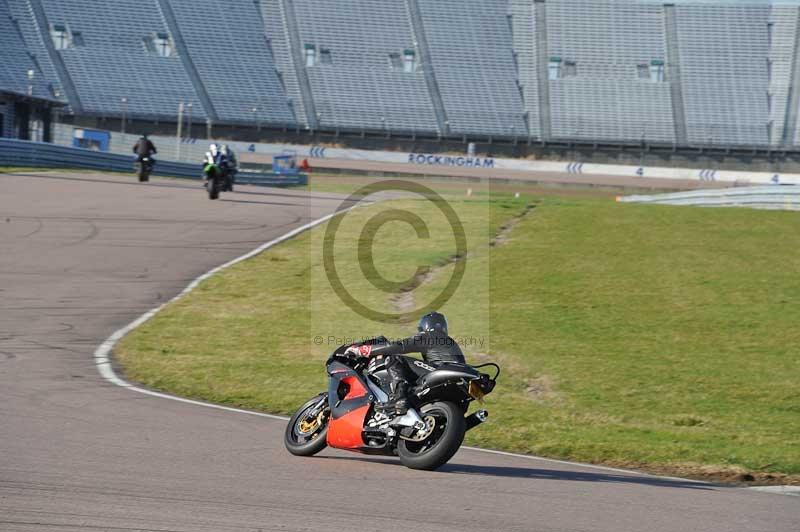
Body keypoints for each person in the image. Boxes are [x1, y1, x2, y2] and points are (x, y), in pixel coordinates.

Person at [345, 312, 465, 415]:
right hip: (456, 387)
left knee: (396, 359)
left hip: (440, 371)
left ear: (425, 326)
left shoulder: (430, 336)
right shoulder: (450, 342)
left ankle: (399, 397)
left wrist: (363, 350)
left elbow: (399, 346)